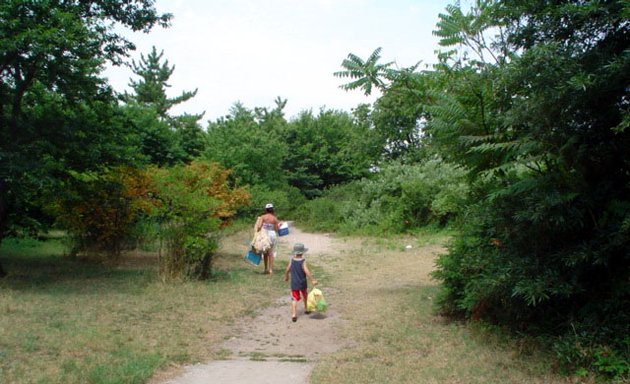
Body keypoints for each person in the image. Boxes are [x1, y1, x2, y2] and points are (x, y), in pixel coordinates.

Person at [284, 243, 317, 322]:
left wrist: (286, 276)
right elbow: (307, 271)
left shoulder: (292, 260)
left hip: (294, 283)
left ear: (294, 252)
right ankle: (306, 309)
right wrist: (312, 280)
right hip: (302, 283)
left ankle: (294, 314)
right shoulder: (303, 261)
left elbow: (287, 269)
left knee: (294, 298)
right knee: (305, 295)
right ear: (302, 253)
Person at [255, 203, 281, 275]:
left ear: (266, 209)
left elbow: (259, 226)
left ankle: (266, 268)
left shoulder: (263, 217)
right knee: (271, 252)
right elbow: (276, 229)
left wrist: (257, 232)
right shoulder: (274, 218)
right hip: (272, 235)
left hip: (264, 235)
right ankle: (271, 270)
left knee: (265, 252)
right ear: (272, 209)